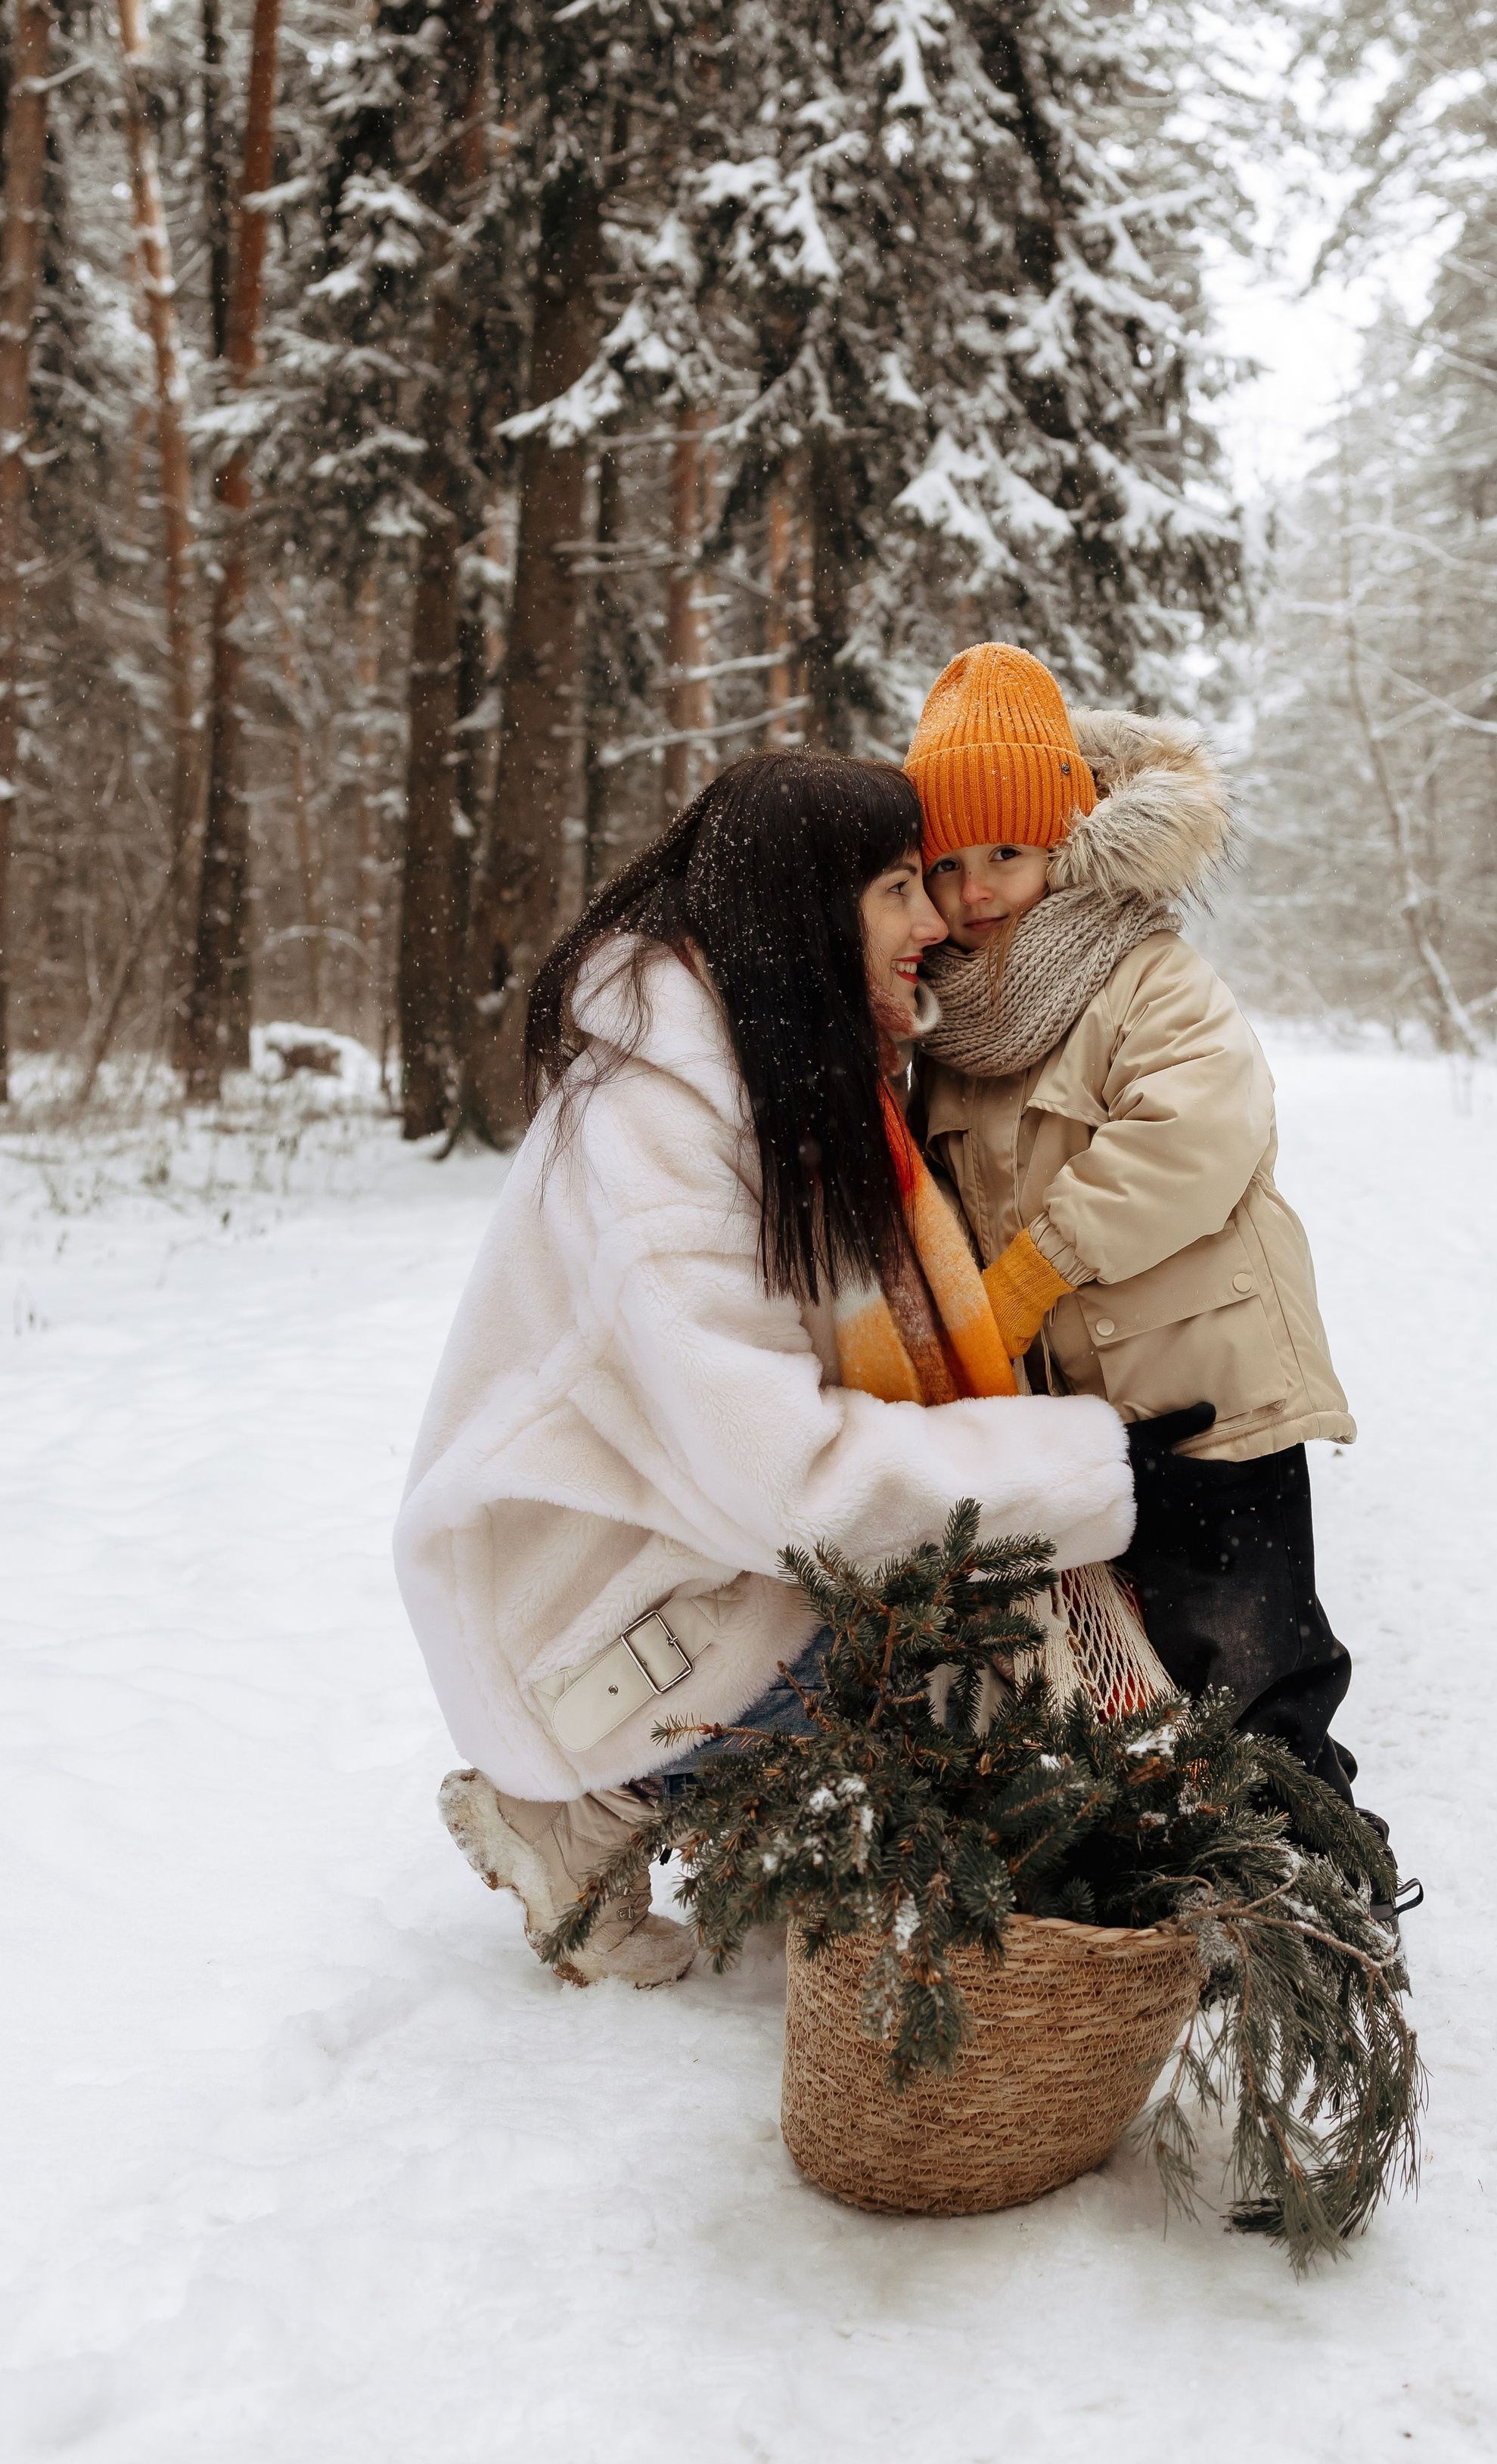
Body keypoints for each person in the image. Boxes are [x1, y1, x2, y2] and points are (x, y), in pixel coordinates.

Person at [393, 752, 1135, 1987]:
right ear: (806, 912)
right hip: (584, 1614)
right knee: (938, 1651)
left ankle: (614, 1805)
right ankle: (581, 1806)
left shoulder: (764, 1065)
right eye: (898, 889)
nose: (935, 920)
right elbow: (797, 1483)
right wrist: (1083, 1468)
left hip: (676, 1548)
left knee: (949, 1600)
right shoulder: (656, 1130)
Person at [904, 643, 1368, 1807]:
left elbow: (1196, 1133)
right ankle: (1182, 1863)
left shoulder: (1143, 971)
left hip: (1212, 1388)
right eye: (948, 864)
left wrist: (1037, 1268)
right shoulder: (949, 1033)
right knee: (1133, 1666)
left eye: (1006, 854)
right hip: (1084, 1417)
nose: (976, 889)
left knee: (1249, 1656)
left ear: (1065, 840)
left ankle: (1314, 1862)